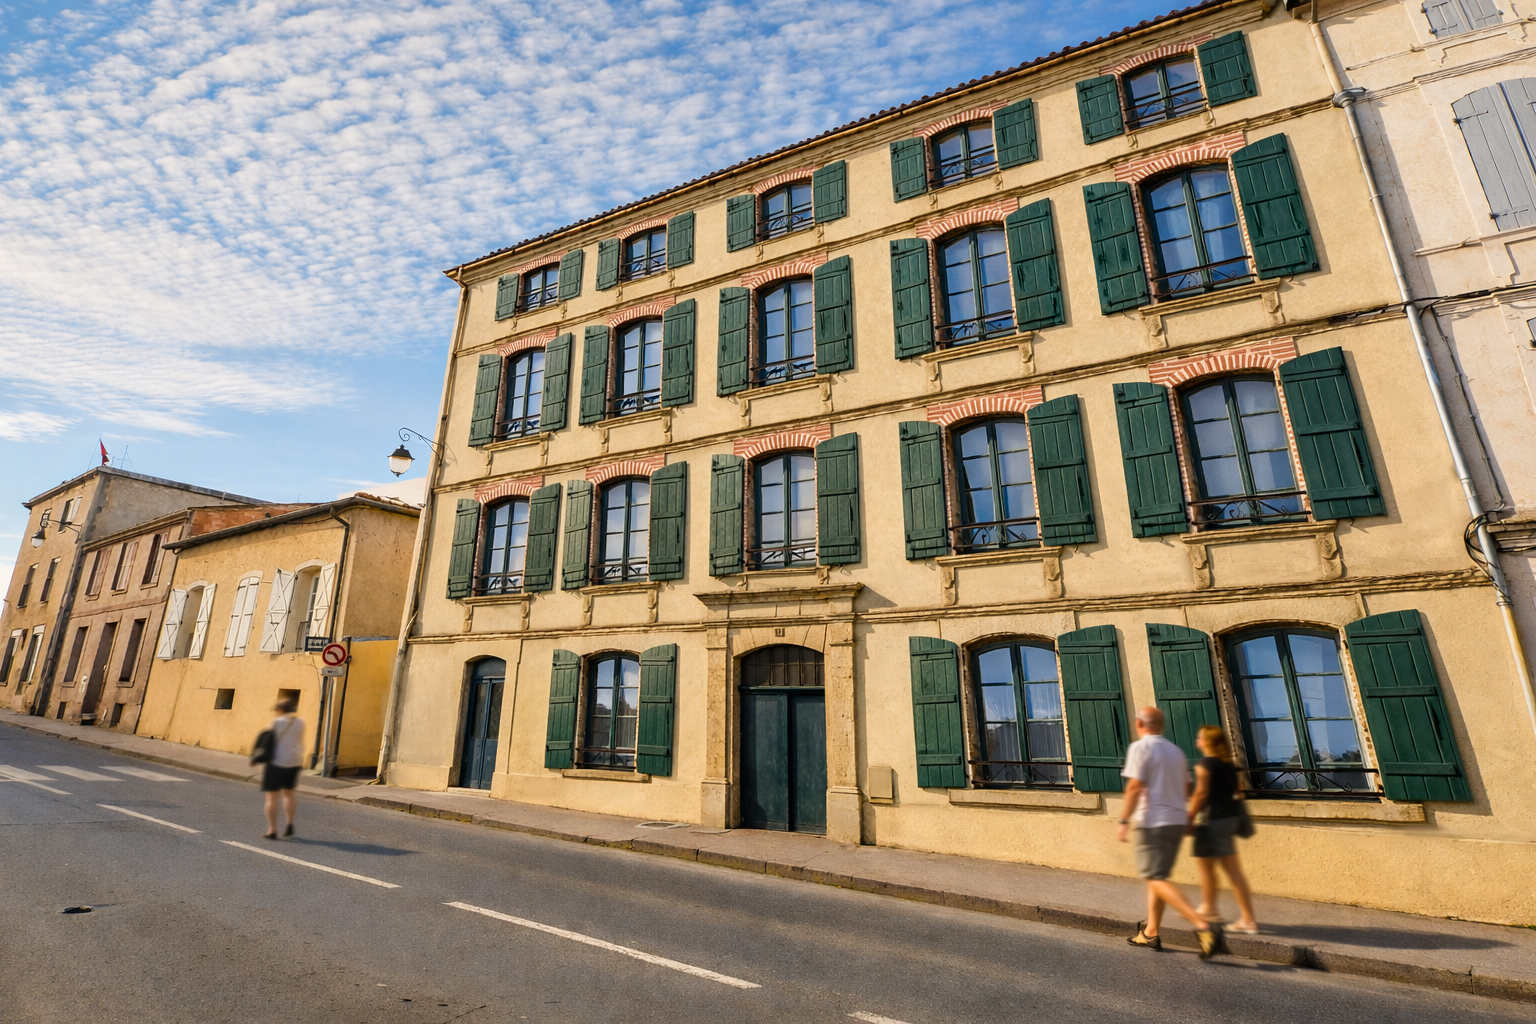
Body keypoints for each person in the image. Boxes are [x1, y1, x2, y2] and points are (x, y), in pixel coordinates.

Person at [1117, 706, 1220, 958]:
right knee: (1158, 877)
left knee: (1154, 877)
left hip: (1151, 821)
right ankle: (1150, 933)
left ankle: (1203, 926)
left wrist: (1123, 820)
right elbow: (1186, 789)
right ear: (1160, 726)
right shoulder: (1176, 752)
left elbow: (1133, 788)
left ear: (1139, 723)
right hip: (1175, 821)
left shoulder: (1140, 748)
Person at [1188, 725, 1259, 934]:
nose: (1197, 741)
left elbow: (1201, 794)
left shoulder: (1205, 764)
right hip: (1230, 818)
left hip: (1213, 821)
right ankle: (1213, 909)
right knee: (1222, 869)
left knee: (1213, 869)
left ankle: (1244, 919)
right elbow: (1238, 791)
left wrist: (1189, 817)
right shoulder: (1228, 765)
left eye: (1200, 738)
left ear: (1208, 742)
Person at [255, 698, 305, 839]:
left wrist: (256, 758)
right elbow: (299, 741)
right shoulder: (300, 722)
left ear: (280, 710)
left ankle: (272, 830)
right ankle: (289, 824)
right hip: (294, 762)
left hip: (276, 762)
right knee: (288, 794)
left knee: (271, 797)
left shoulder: (276, 722)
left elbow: (267, 741)